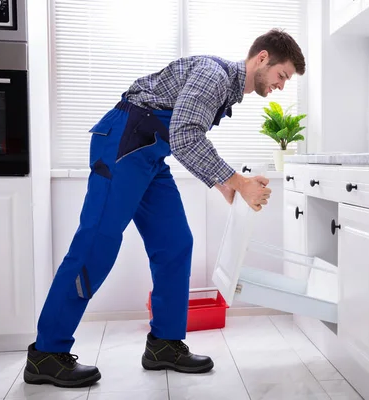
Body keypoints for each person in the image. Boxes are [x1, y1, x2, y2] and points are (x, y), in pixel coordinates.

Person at [22, 28, 306, 388]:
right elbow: (186, 136)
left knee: (175, 244)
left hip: (150, 154)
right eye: (282, 75)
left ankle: (164, 345)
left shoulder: (225, 87)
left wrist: (225, 185)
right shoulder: (214, 75)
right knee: (96, 245)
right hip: (124, 145)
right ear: (262, 58)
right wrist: (236, 180)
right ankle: (46, 352)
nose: (281, 85)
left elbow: (183, 136)